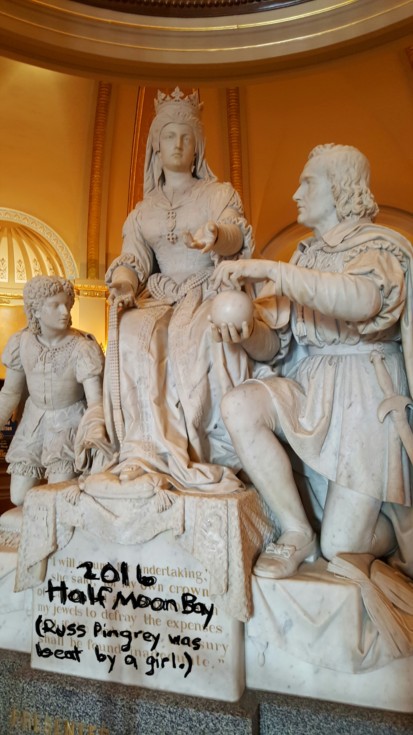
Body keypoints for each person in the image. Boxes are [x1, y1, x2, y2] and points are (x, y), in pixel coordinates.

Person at [212, 144, 413, 577]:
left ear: (340, 188)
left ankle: (395, 529)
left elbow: (362, 301)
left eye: (307, 182)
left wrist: (273, 271)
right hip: (311, 388)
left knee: (340, 547)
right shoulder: (305, 256)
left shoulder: (379, 248)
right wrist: (247, 332)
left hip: (364, 398)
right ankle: (296, 530)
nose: (296, 194)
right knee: (240, 404)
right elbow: (276, 347)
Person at [102, 87, 281, 493]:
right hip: (161, 295)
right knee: (130, 330)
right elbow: (133, 259)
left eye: (186, 136)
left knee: (206, 333)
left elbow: (236, 235)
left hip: (207, 290)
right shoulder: (142, 211)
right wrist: (125, 286)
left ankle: (205, 449)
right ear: (155, 143)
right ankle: (144, 450)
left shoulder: (218, 194)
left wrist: (215, 234)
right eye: (169, 135)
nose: (178, 144)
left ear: (198, 146)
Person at [0, 275, 107, 506]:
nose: (65, 312)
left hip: (68, 423)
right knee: (18, 497)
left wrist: (96, 431)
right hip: (33, 423)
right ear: (36, 310)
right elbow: (10, 393)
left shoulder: (83, 347)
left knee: (56, 497)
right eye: (56, 305)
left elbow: (96, 401)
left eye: (67, 305)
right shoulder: (21, 342)